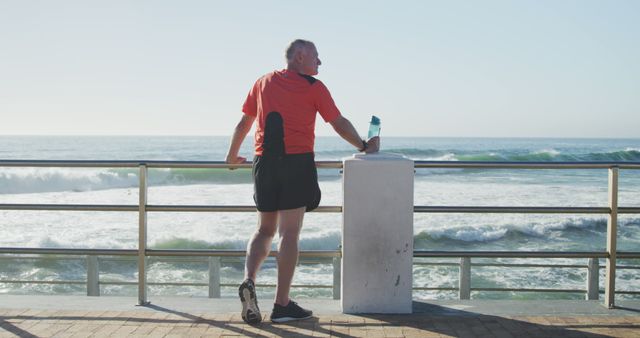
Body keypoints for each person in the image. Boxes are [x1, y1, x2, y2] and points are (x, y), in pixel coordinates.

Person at [225, 39, 380, 324]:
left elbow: (244, 123)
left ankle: (249, 280)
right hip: (296, 163)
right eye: (316, 57)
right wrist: (362, 145)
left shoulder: (263, 82)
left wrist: (232, 157)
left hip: (264, 163)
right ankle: (282, 304)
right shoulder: (313, 87)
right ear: (299, 57)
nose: (320, 63)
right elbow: (338, 122)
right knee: (290, 234)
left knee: (264, 230)